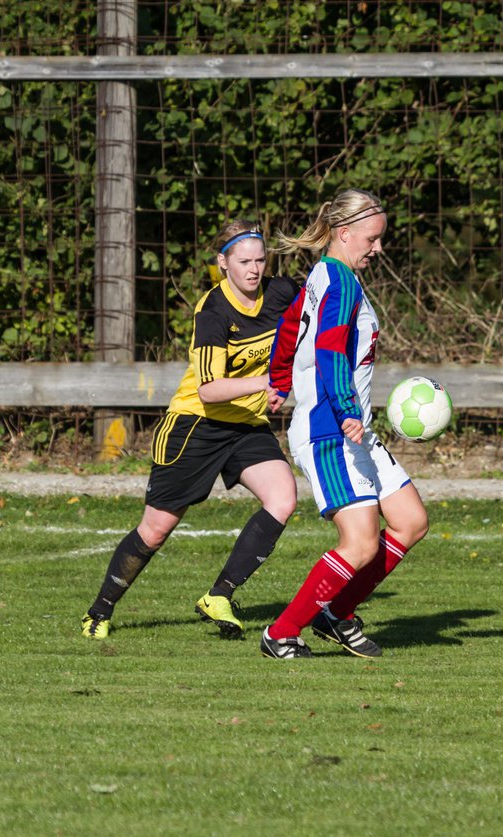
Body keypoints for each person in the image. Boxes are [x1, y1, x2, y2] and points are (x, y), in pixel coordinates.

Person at [80, 220, 300, 640]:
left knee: (283, 497)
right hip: (195, 425)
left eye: (260, 260)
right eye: (244, 261)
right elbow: (211, 389)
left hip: (246, 426)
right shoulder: (213, 311)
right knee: (156, 529)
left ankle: (219, 594)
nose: (254, 269)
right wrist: (267, 382)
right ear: (223, 263)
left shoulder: (281, 293)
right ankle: (99, 610)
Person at [261, 189, 428, 659]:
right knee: (359, 543)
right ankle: (281, 633)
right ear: (344, 232)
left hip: (350, 426)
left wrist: (278, 379)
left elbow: (291, 324)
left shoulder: (326, 275)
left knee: (411, 521)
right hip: (330, 428)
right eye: (373, 239)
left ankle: (336, 613)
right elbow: (331, 348)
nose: (379, 249)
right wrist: (346, 409)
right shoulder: (340, 282)